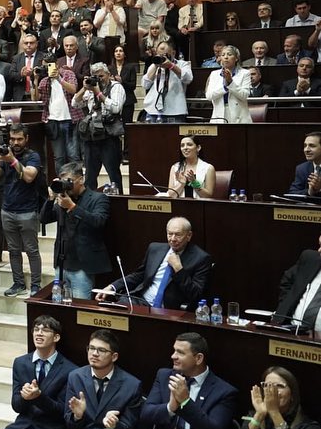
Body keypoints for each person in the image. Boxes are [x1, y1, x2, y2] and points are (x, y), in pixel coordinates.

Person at [0, 315, 77, 429]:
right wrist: (25, 397)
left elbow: (62, 412)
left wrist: (39, 397)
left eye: (45, 330)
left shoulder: (70, 370)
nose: (39, 333)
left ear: (56, 337)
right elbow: (16, 406)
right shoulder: (20, 363)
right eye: (36, 329)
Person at [138, 332, 237, 429]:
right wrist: (170, 408)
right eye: (174, 350)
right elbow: (145, 414)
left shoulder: (224, 392)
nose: (173, 356)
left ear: (198, 358)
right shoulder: (164, 376)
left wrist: (186, 402)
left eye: (180, 352)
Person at [96, 217, 212, 309]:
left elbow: (196, 294)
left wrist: (179, 269)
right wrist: (112, 287)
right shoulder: (155, 249)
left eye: (177, 235)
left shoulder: (201, 258)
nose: (172, 239)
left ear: (189, 235)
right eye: (169, 234)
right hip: (141, 301)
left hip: (169, 309)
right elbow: (138, 275)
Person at [41, 162, 111, 299]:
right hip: (61, 264)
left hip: (82, 267)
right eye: (63, 181)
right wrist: (50, 198)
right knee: (58, 305)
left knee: (79, 306)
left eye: (69, 181)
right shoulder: (62, 199)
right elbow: (44, 219)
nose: (66, 185)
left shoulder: (98, 198)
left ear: (81, 179)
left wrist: (72, 207)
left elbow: (98, 222)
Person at [0, 124, 43, 297]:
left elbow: (28, 177)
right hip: (7, 210)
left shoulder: (32, 156)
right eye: (12, 139)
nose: (15, 142)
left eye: (19, 139)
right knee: (13, 250)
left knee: (32, 250)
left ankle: (36, 285)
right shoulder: (5, 155)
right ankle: (18, 283)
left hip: (28, 211)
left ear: (26, 139)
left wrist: (12, 160)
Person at [64, 330, 142, 429]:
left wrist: (113, 426)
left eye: (101, 350)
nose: (94, 354)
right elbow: (69, 425)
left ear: (114, 357)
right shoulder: (75, 377)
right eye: (91, 348)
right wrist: (77, 417)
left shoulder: (132, 385)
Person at [236, 366, 321, 429]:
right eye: (267, 385)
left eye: (279, 386)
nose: (273, 391)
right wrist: (259, 414)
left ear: (292, 395)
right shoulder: (254, 417)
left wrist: (274, 412)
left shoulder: (310, 427)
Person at [71, 63, 124, 193]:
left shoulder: (116, 87)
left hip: (109, 136)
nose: (99, 79)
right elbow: (74, 104)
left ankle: (119, 200)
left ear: (108, 75)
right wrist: (84, 88)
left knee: (113, 174)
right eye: (95, 76)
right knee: (90, 175)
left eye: (101, 76)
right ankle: (90, 200)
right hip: (92, 136)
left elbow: (116, 108)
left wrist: (98, 93)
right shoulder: (90, 88)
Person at [142, 42, 193, 123]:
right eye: (160, 55)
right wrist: (156, 65)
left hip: (175, 111)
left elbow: (188, 79)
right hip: (153, 111)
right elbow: (145, 85)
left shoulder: (182, 64)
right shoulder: (153, 66)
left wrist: (171, 66)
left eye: (165, 55)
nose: (163, 58)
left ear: (173, 53)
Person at [205, 45, 252, 124]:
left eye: (229, 54)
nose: (226, 57)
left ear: (236, 58)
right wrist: (224, 88)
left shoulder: (245, 73)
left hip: (239, 115)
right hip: (218, 115)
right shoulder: (214, 74)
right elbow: (209, 96)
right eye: (223, 55)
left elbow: (244, 95)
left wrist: (230, 83)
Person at [288, 131, 321, 196]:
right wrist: (310, 191)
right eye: (305, 146)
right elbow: (292, 193)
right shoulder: (302, 168)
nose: (306, 150)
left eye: (312, 146)